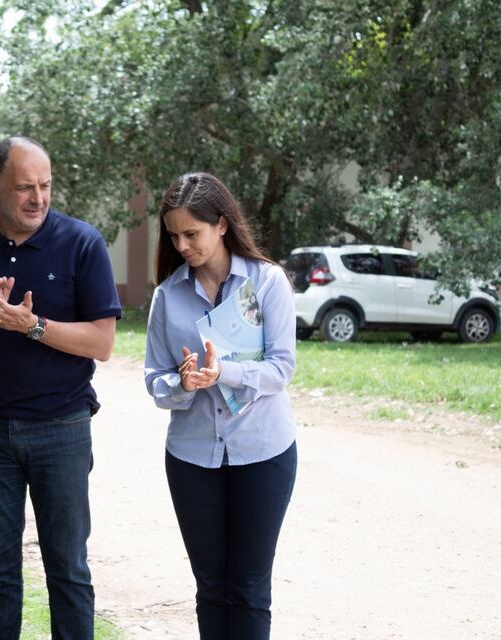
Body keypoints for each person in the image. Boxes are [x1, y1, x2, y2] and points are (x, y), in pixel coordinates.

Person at [0, 136, 121, 640]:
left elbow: (101, 342)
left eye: (46, 185)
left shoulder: (81, 242)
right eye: (24, 188)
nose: (38, 198)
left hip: (62, 428)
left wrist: (31, 325)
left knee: (69, 571)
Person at [144, 172, 297, 640]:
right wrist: (185, 383)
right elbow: (155, 381)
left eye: (193, 233)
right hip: (191, 458)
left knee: (249, 588)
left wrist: (223, 372)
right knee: (210, 588)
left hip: (264, 454)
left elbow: (281, 368)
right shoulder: (166, 297)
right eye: (175, 235)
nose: (183, 244)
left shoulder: (268, 282)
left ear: (223, 225)